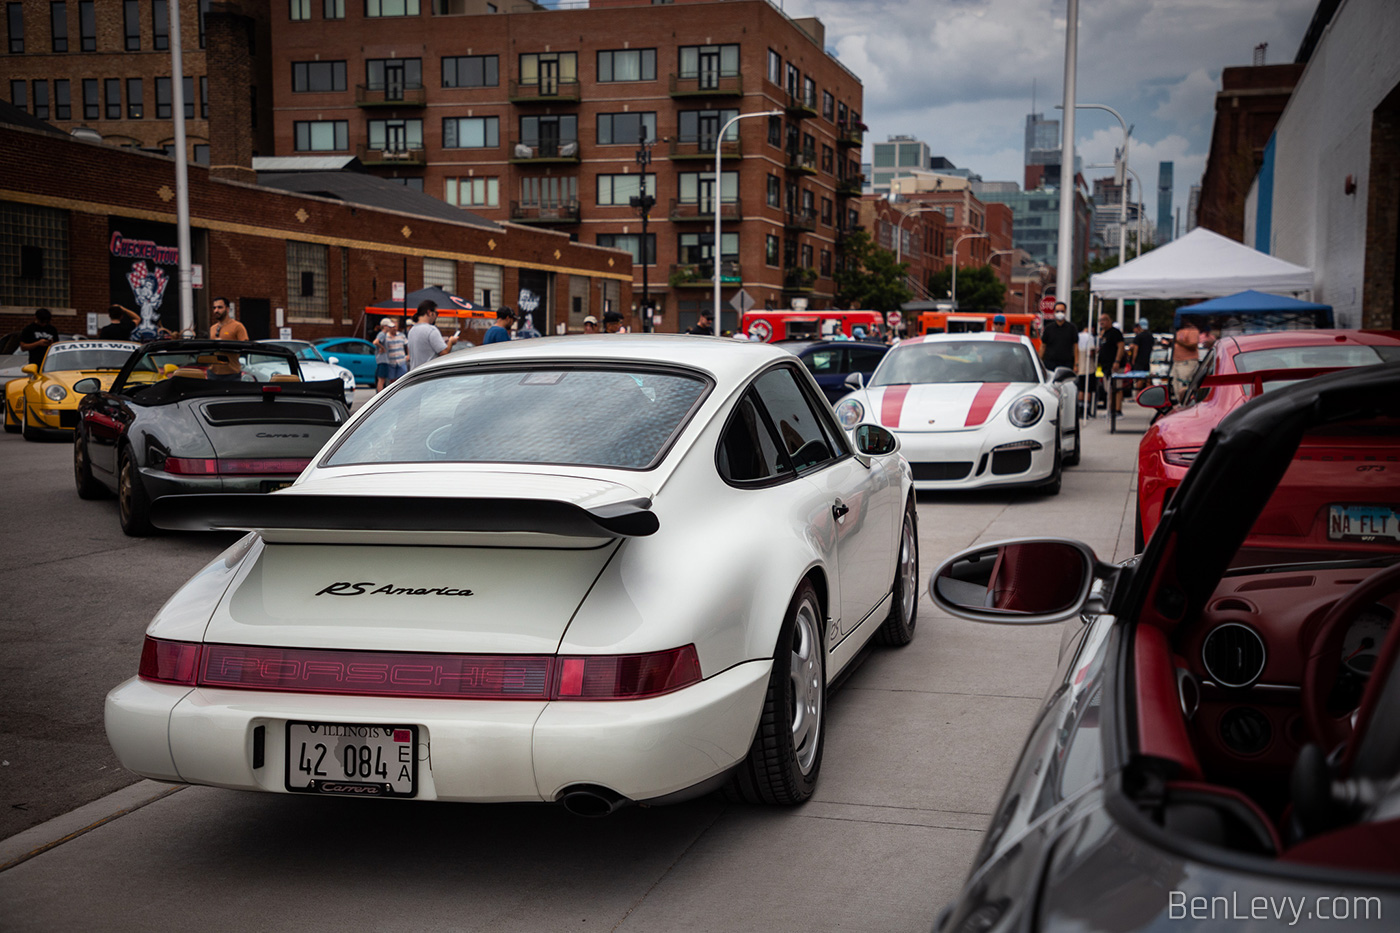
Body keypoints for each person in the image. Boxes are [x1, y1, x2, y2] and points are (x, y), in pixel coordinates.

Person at [407, 301, 458, 369]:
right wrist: (451, 342)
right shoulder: (431, 330)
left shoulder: (412, 330)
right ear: (429, 313)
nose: (436, 316)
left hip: (415, 373)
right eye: (436, 313)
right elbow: (444, 352)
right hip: (429, 373)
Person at [1097, 313, 1125, 415]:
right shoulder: (1104, 333)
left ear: (1109, 321)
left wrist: (1117, 361)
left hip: (1115, 365)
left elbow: (1121, 346)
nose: (1102, 322)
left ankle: (1118, 410)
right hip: (1105, 366)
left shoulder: (1115, 332)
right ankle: (1110, 409)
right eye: (1100, 320)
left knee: (1116, 388)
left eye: (1104, 319)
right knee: (1108, 389)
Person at [1039, 302, 1078, 373]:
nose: (1060, 313)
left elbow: (1075, 347)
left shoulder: (1072, 328)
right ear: (1054, 312)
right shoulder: (1048, 328)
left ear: (1065, 312)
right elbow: (1043, 346)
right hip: (1050, 364)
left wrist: (1076, 364)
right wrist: (1039, 362)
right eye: (1057, 311)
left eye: (1062, 311)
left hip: (1066, 364)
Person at [372, 317, 408, 391]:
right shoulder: (383, 334)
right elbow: (375, 342)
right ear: (385, 326)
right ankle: (380, 395)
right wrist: (382, 348)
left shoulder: (400, 335)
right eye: (390, 326)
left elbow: (407, 344)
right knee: (382, 380)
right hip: (386, 361)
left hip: (399, 361)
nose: (392, 328)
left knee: (384, 380)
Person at [1171, 318, 1201, 401]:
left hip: (1187, 362)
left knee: (1184, 386)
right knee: (1176, 385)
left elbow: (1193, 346)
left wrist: (1179, 342)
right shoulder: (1180, 331)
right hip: (1177, 362)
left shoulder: (1192, 331)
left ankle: (1185, 403)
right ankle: (1180, 402)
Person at [1129, 318, 1155, 389]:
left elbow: (1136, 349)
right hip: (1147, 360)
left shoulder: (1138, 337)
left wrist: (1133, 359)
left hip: (1139, 361)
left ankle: (1138, 394)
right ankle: (1149, 393)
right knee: (1147, 378)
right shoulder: (1150, 336)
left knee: (1139, 379)